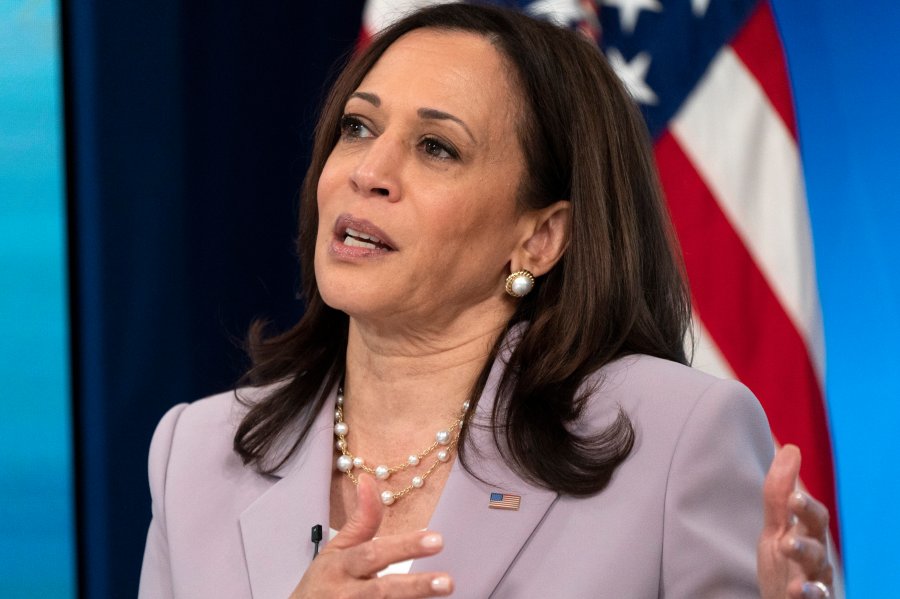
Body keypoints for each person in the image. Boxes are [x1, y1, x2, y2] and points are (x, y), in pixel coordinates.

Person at [138, 4, 834, 598]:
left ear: (540, 237)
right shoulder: (197, 455)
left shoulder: (677, 441)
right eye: (357, 127)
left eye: (437, 147)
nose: (370, 172)